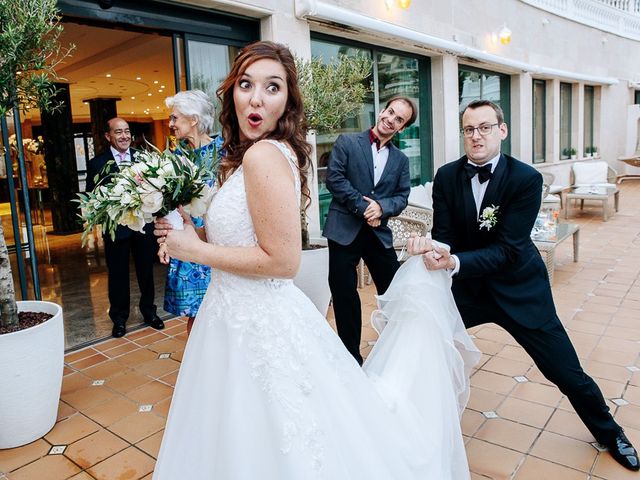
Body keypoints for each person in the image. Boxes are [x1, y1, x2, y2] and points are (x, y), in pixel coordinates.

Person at [151, 40, 479, 480]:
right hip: (232, 314)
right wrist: (189, 231)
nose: (256, 97)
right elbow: (241, 232)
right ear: (231, 92)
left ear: (287, 100)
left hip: (254, 317)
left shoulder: (265, 154)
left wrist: (195, 251)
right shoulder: (246, 155)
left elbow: (282, 261)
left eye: (273, 87)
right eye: (246, 84)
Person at [407, 99, 639, 472]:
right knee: (419, 336)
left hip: (519, 289)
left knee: (565, 371)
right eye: (469, 129)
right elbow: (447, 235)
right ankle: (402, 419)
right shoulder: (447, 176)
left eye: (484, 127)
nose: (476, 136)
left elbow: (509, 250)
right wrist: (435, 250)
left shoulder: (525, 179)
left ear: (502, 130)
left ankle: (610, 432)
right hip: (466, 288)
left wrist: (455, 261)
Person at [323, 95, 417, 364]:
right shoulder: (347, 142)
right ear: (382, 111)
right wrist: (365, 208)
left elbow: (401, 196)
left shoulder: (400, 160)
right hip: (344, 230)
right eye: (390, 112)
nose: (390, 119)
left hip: (377, 234)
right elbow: (334, 179)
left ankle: (398, 350)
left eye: (399, 119)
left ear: (402, 127)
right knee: (344, 295)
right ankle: (351, 358)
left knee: (396, 290)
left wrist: (383, 208)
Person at [85, 117, 164, 338]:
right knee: (117, 275)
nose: (124, 136)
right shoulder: (97, 163)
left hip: (143, 226)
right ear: (108, 136)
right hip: (115, 228)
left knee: (146, 271)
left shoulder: (143, 158)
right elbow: (92, 197)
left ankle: (149, 312)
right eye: (118, 132)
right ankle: (119, 319)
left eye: (127, 131)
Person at [163, 90, 222, 335]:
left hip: (218, 240)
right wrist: (165, 240)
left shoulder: (225, 152)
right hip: (188, 242)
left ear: (194, 119)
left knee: (222, 311)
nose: (171, 124)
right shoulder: (175, 158)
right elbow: (168, 204)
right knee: (195, 318)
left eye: (175, 118)